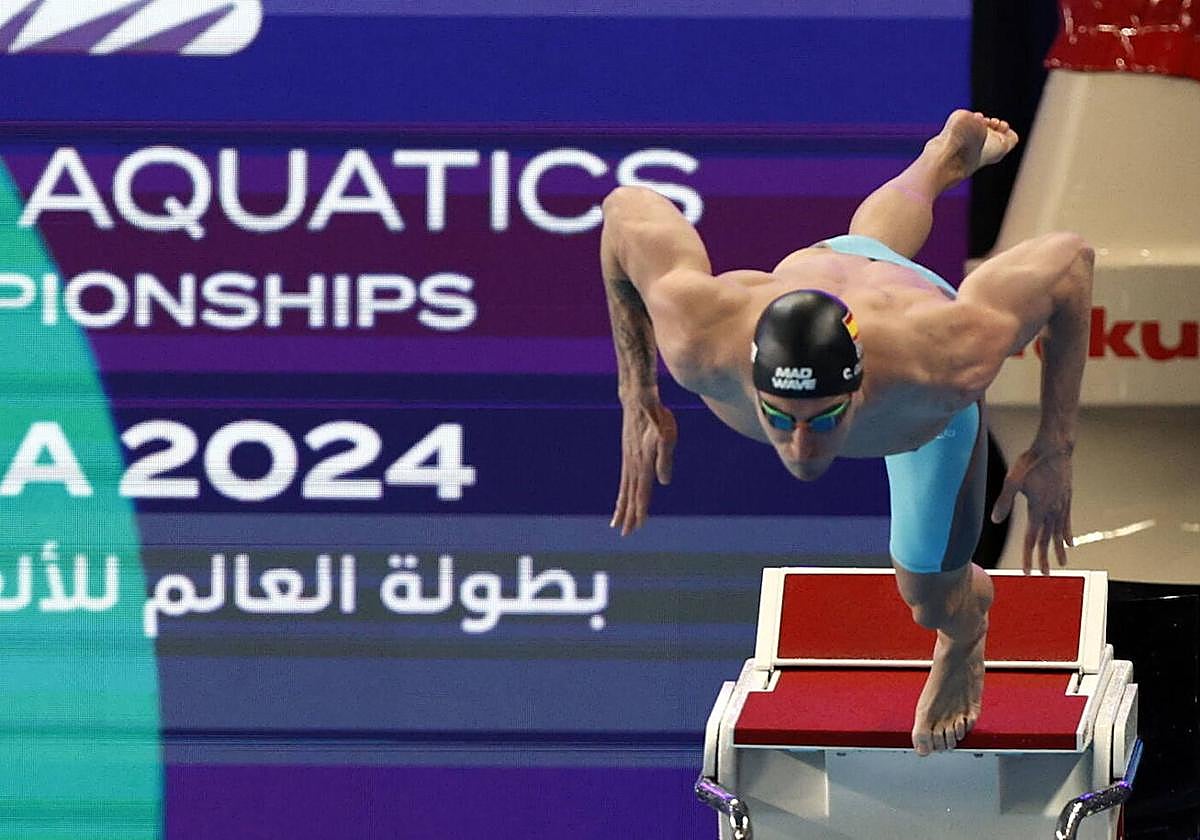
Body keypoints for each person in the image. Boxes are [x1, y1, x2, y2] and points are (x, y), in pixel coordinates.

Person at [599, 110, 1092, 756]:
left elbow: (1071, 263)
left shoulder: (945, 360)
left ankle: (964, 637)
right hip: (831, 265)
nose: (802, 447)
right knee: (865, 247)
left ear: (859, 387)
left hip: (913, 375)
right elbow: (625, 211)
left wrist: (1055, 444)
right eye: (780, 417)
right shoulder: (699, 339)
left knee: (932, 594)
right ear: (749, 377)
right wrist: (636, 393)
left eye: (826, 416)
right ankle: (937, 161)